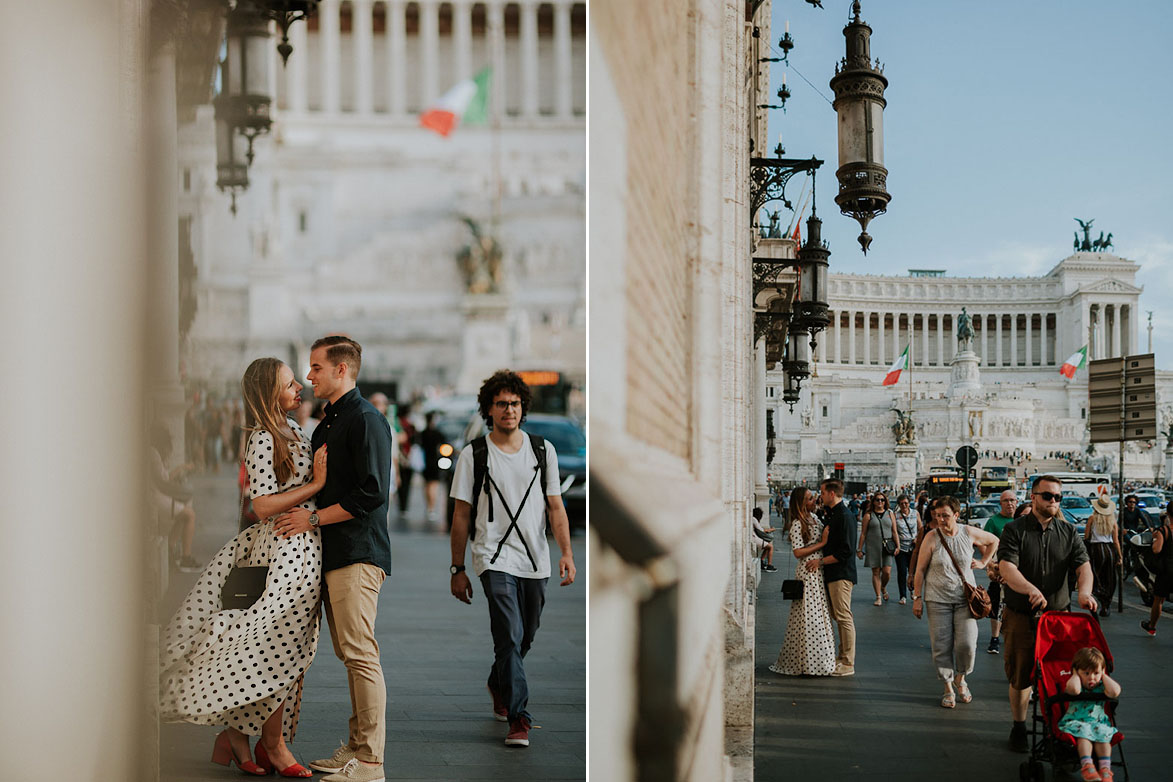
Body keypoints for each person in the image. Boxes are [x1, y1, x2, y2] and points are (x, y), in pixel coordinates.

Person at [160, 357, 328, 778]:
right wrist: (316, 486)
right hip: (280, 551)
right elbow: (262, 504)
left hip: (303, 546)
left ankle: (235, 735)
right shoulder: (260, 438)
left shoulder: (293, 431)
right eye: (290, 384)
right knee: (276, 648)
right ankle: (273, 744)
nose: (299, 389)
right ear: (269, 392)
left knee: (285, 649)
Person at [278, 337, 394, 782]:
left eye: (316, 368)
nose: (309, 377)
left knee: (360, 653)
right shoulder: (331, 422)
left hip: (357, 552)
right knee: (351, 653)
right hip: (335, 553)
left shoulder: (366, 420)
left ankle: (369, 761)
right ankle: (357, 748)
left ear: (342, 370)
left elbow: (372, 491)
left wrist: (312, 518)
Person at [450, 370, 577, 748]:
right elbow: (460, 515)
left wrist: (566, 552)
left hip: (535, 557)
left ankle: (498, 680)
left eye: (515, 403)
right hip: (493, 556)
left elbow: (556, 507)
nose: (509, 410)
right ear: (489, 409)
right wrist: (458, 568)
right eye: (502, 403)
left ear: (524, 408)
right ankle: (519, 718)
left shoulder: (543, 450)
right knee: (508, 632)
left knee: (526, 634)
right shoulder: (474, 455)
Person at [999, 474, 1095, 753]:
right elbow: (1007, 567)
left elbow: (1083, 567)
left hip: (1058, 617)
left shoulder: (1067, 533)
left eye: (1058, 497)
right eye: (1048, 496)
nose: (1054, 501)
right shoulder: (1015, 530)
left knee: (1062, 674)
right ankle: (1019, 726)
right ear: (1033, 496)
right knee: (1020, 674)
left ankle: (1060, 729)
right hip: (1021, 614)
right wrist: (1029, 589)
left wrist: (1085, 592)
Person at [911, 497, 999, 708]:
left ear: (957, 515)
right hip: (937, 599)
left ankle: (961, 677)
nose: (940, 519)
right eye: (937, 515)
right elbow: (920, 570)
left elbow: (993, 540)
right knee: (941, 645)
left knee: (967, 644)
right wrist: (917, 598)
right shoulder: (931, 537)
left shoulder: (968, 532)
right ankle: (948, 685)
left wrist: (983, 561)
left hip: (965, 600)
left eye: (945, 516)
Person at [770, 486, 836, 676]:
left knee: (817, 614)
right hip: (808, 571)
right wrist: (822, 544)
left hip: (818, 569)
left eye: (814, 497)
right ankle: (808, 661)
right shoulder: (798, 523)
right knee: (809, 615)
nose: (814, 500)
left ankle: (818, 659)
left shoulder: (814, 518)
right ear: (801, 503)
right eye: (810, 498)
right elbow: (798, 552)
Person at [805, 478, 857, 676]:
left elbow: (846, 550)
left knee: (844, 616)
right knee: (838, 615)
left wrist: (821, 562)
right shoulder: (834, 514)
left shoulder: (844, 516)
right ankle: (842, 656)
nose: (821, 496)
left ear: (832, 494)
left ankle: (848, 661)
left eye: (823, 492)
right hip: (834, 573)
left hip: (841, 573)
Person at [1057, 647, 1121, 782]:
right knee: (1084, 733)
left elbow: (1115, 692)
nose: (1092, 677)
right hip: (1076, 722)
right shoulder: (1076, 683)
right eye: (1086, 673)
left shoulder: (1102, 686)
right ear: (1077, 671)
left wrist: (1103, 675)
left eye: (1096, 673)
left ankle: (1105, 769)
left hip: (1098, 723)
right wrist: (1075, 674)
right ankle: (1087, 766)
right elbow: (1074, 690)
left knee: (1103, 735)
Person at [150, 421, 200, 573]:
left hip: (154, 495)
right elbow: (164, 481)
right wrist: (180, 469)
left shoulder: (153, 453)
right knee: (189, 515)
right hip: (154, 497)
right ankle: (185, 556)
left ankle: (171, 550)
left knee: (184, 514)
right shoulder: (153, 454)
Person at [982, 489, 1018, 654]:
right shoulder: (993, 522)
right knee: (997, 603)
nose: (1010, 503)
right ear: (1001, 503)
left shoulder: (1022, 520)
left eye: (1012, 500)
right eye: (1006, 501)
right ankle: (995, 638)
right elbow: (985, 544)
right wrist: (990, 564)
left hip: (1019, 570)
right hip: (998, 567)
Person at [1084, 496, 1122, 619]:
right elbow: (1116, 541)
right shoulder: (1113, 522)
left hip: (1096, 549)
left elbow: (1087, 537)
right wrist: (1120, 556)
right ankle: (1106, 604)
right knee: (1110, 577)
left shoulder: (1091, 519)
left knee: (1096, 575)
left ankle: (1099, 595)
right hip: (1110, 549)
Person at [858, 492, 898, 605]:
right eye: (877, 500)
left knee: (886, 572)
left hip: (887, 547)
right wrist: (859, 549)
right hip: (873, 546)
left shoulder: (890, 514)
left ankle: (883, 587)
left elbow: (894, 531)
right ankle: (878, 596)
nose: (880, 502)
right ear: (873, 502)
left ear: (885, 502)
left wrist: (897, 546)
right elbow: (863, 533)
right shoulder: (868, 515)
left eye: (882, 500)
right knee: (876, 572)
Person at [1140, 504, 1173, 636]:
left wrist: (1155, 538)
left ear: (1168, 514)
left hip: (1166, 571)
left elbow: (1156, 550)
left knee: (1159, 600)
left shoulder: (1163, 531)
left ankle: (1152, 626)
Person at [893, 495, 920, 605]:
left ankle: (912, 590)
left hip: (913, 547)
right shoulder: (896, 515)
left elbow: (920, 527)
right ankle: (902, 595)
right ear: (899, 505)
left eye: (906, 503)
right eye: (901, 503)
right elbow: (894, 531)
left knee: (912, 571)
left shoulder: (915, 513)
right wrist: (897, 545)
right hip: (901, 548)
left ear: (909, 503)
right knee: (902, 572)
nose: (904, 505)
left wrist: (917, 538)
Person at [420, 411, 446, 525]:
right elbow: (444, 446)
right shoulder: (438, 434)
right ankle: (431, 507)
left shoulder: (422, 433)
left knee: (427, 485)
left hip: (424, 462)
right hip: (435, 461)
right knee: (433, 485)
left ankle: (429, 506)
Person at [752, 506, 778, 572]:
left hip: (754, 536)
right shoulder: (754, 519)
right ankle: (769, 565)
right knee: (771, 547)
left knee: (768, 546)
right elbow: (761, 530)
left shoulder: (753, 519)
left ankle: (762, 561)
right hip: (754, 538)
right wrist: (772, 529)